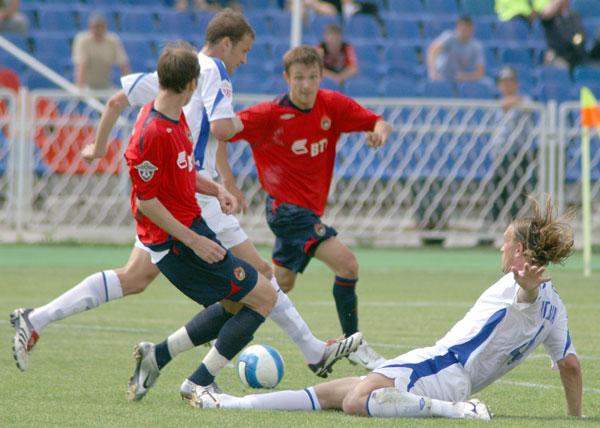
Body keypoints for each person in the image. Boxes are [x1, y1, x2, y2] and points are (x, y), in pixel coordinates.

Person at [10, 9, 360, 390]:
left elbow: (114, 103)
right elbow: (223, 128)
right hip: (188, 197)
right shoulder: (213, 72)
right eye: (243, 50)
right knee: (259, 276)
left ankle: (41, 320)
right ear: (226, 44)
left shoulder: (174, 70)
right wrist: (257, 122)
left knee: (135, 277)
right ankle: (307, 352)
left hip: (178, 183)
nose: (244, 60)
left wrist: (97, 146)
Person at [188, 197, 583, 421]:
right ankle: (230, 403)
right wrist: (575, 418)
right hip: (444, 371)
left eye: (505, 241)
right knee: (328, 394)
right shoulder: (555, 306)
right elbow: (570, 365)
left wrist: (527, 288)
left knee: (356, 401)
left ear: (519, 250)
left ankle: (457, 411)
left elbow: (524, 301)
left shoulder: (520, 288)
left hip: (443, 367)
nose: (500, 246)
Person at [121, 41, 279, 401]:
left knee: (236, 303)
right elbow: (146, 202)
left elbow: (182, 171)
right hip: (176, 243)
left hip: (193, 227)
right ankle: (198, 383)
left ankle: (158, 355)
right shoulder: (151, 133)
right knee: (263, 299)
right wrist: (195, 241)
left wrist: (216, 189)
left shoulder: (175, 117)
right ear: (193, 83)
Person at [220, 45, 392, 369]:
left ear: (321, 76)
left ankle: (216, 326)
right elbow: (220, 133)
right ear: (286, 78)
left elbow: (379, 122)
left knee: (276, 285)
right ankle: (353, 343)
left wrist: (378, 133)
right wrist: (227, 182)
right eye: (299, 78)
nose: (306, 85)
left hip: (306, 212)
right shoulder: (269, 114)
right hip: (286, 211)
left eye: (313, 77)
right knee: (348, 265)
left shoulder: (332, 105)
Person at [489, 66, 535, 223]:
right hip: (500, 151)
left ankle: (516, 221)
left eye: (510, 82)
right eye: (504, 83)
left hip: (519, 152)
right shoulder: (495, 103)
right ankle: (493, 221)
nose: (507, 86)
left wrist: (512, 102)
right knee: (497, 185)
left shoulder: (525, 100)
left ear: (516, 84)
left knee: (518, 186)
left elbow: (528, 105)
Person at [72, 13, 130, 90]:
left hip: (106, 85)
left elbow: (124, 65)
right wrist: (80, 90)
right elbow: (81, 66)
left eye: (100, 27)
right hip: (87, 86)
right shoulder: (82, 41)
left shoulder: (113, 40)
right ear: (90, 27)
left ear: (105, 27)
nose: (98, 30)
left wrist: (128, 88)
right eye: (95, 27)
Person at [426, 15, 485, 82]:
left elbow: (480, 73)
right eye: (462, 27)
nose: (464, 30)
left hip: (459, 78)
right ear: (457, 27)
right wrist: (433, 71)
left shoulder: (476, 46)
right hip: (442, 75)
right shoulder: (449, 37)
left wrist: (465, 77)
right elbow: (433, 51)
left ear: (472, 29)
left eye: (467, 28)